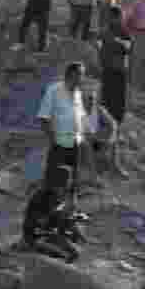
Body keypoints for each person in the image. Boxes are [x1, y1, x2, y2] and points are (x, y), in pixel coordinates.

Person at [36, 62, 87, 213]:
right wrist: (53, 140)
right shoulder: (54, 90)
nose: (82, 79)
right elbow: (44, 117)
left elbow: (81, 117)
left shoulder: (78, 93)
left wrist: (83, 137)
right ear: (71, 75)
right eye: (81, 75)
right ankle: (45, 213)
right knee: (53, 182)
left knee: (73, 181)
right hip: (59, 144)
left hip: (75, 143)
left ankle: (69, 212)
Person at [21, 165, 87, 263]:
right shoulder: (42, 197)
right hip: (37, 236)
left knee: (75, 252)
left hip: (51, 233)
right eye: (64, 182)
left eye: (68, 181)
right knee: (69, 255)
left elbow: (67, 216)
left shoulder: (63, 194)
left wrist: (76, 231)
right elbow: (42, 221)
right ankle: (27, 248)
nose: (65, 185)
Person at [97, 5, 131, 131]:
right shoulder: (104, 31)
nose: (113, 20)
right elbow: (99, 45)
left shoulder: (124, 31)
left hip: (119, 70)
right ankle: (106, 123)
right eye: (111, 17)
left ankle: (117, 123)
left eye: (115, 17)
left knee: (118, 98)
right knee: (107, 97)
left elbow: (128, 47)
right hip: (108, 68)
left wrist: (115, 42)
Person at [80, 88, 124, 183]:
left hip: (98, 141)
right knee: (86, 145)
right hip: (84, 144)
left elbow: (113, 124)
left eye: (93, 99)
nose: (91, 101)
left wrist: (109, 139)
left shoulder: (99, 110)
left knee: (114, 137)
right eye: (89, 99)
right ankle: (94, 176)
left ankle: (115, 166)